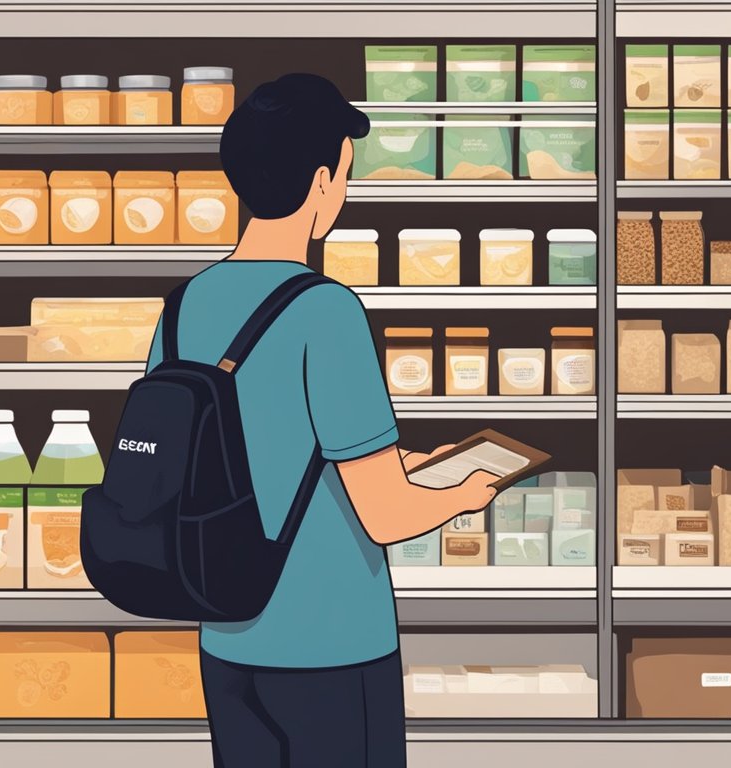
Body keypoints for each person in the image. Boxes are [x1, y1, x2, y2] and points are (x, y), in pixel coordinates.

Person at [146, 73, 497, 767]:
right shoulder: (325, 311)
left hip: (227, 634)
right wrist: (462, 491)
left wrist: (411, 468)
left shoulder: (184, 305)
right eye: (343, 171)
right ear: (319, 183)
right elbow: (387, 516)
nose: (342, 188)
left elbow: (235, 457)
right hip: (331, 645)